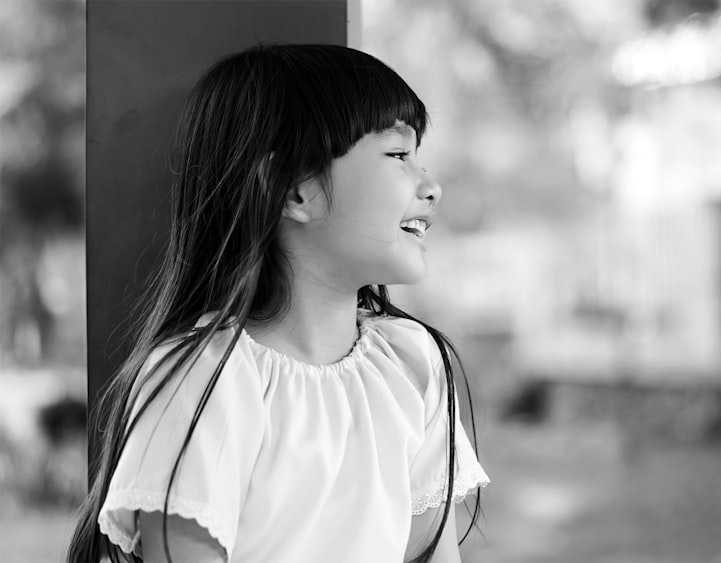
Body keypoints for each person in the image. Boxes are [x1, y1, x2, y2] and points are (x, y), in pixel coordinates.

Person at [66, 44, 488, 563]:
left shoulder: (412, 364)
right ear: (295, 191)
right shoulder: (207, 380)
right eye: (399, 155)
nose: (432, 187)